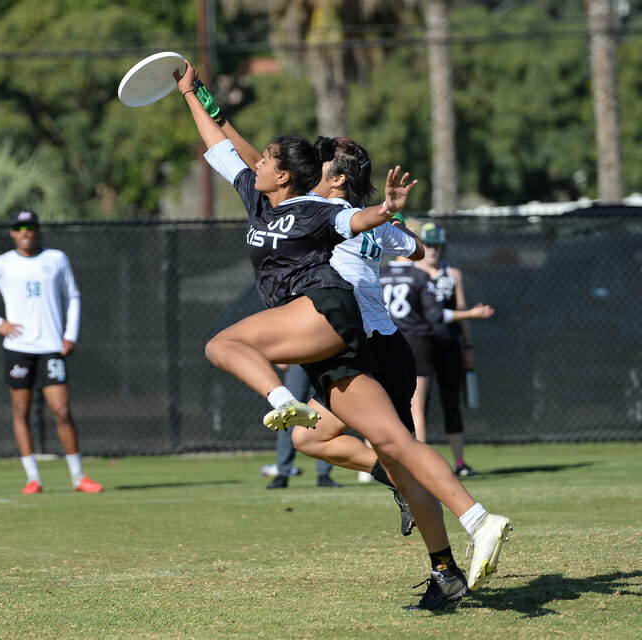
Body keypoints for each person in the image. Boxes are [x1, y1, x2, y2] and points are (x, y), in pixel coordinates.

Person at [174, 60, 511, 608]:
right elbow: (237, 154)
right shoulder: (277, 197)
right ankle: (459, 547)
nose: (264, 162)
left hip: (359, 335)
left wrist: (384, 214)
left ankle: (284, 401)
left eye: (328, 155)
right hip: (341, 337)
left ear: (333, 175)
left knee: (227, 345)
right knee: (380, 449)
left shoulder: (326, 209)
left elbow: (374, 231)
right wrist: (199, 99)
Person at [0, 210, 103, 494]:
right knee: (21, 410)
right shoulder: (2, 264)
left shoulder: (57, 259)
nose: (25, 231)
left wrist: (69, 335)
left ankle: (78, 477)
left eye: (30, 226)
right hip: (19, 349)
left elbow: (73, 296)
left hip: (51, 347)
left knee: (61, 410)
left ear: (38, 230)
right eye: (19, 227)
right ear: (12, 233)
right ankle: (33, 478)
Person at [408, 222, 494, 476]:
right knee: (416, 404)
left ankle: (459, 462)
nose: (432, 250)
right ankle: (419, 461)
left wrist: (468, 345)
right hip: (420, 343)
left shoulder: (451, 273)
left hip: (448, 343)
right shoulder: (412, 272)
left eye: (437, 246)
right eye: (428, 245)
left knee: (451, 401)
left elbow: (460, 309)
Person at [266, 365, 341, 489]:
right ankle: (283, 473)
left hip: (323, 360)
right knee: (288, 415)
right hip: (297, 361)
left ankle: (324, 474)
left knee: (323, 416)